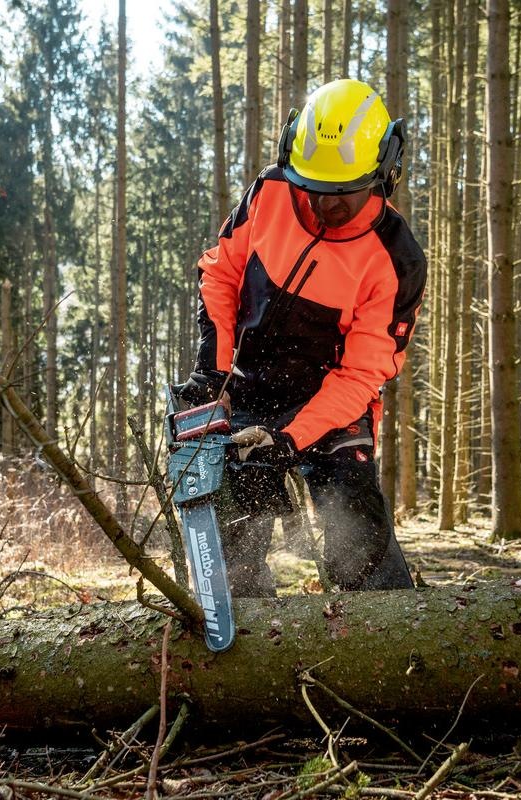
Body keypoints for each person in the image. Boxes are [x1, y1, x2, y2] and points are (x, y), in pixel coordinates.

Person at [175, 78, 428, 597]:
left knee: (356, 534)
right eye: (312, 188)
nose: (323, 205)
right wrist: (213, 372)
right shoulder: (270, 192)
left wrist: (292, 436)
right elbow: (221, 274)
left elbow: (361, 374)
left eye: (343, 194)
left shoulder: (396, 259)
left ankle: (385, 638)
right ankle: (245, 644)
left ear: (384, 172)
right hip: (247, 389)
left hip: (332, 406)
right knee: (228, 544)